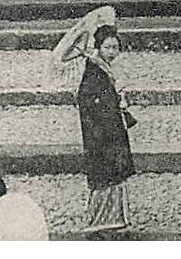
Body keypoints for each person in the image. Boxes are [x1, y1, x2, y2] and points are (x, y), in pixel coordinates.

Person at [56, 13, 135, 238]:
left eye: (115, 47)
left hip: (110, 131)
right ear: (98, 48)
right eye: (108, 47)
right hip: (101, 134)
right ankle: (102, 221)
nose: (112, 52)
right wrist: (113, 104)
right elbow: (88, 102)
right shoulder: (93, 71)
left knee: (113, 176)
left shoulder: (103, 68)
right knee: (106, 175)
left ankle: (114, 220)